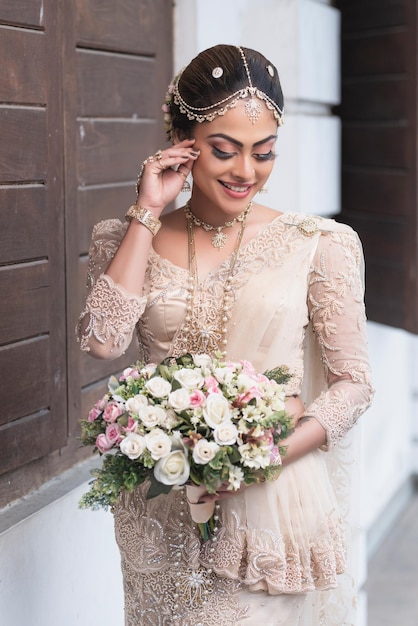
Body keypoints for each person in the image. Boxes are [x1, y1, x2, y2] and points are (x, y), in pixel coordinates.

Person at [76, 44, 373, 626]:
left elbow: (354, 385)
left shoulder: (318, 244)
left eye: (264, 154)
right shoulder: (126, 239)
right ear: (181, 141)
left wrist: (257, 458)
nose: (246, 172)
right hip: (158, 506)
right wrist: (146, 211)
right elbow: (104, 342)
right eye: (224, 150)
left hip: (269, 503)